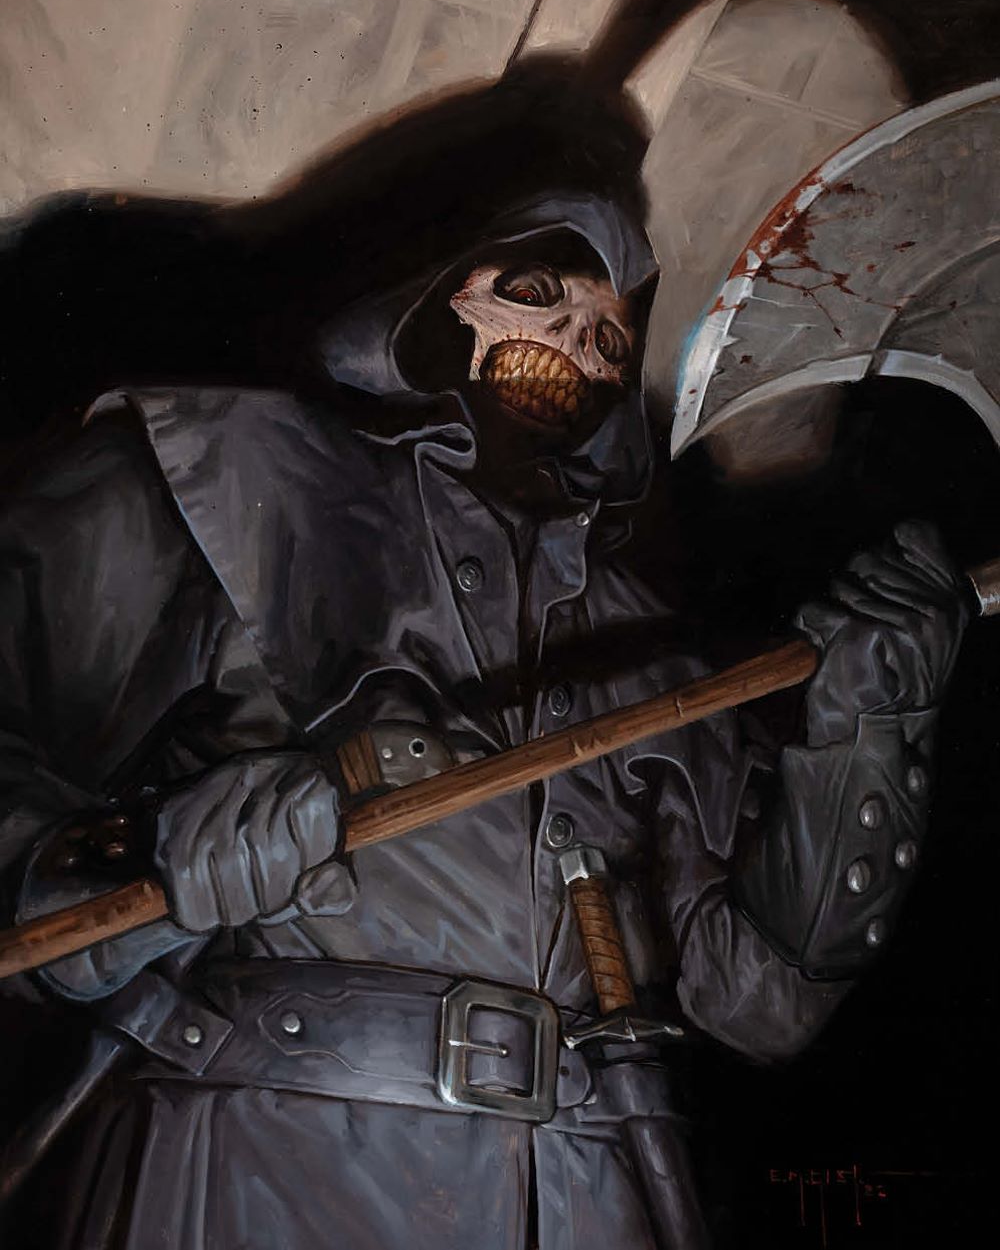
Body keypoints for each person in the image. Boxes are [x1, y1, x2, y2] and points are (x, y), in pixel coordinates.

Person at [0, 67, 968, 1248]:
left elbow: (759, 999)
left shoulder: (653, 640)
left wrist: (874, 721)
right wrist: (143, 856)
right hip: (265, 1164)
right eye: (537, 290)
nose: (577, 337)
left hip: (583, 1188)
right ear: (440, 291)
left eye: (609, 331)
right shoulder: (212, 469)